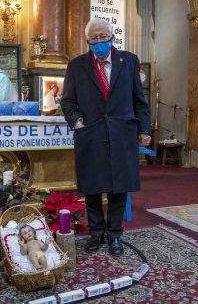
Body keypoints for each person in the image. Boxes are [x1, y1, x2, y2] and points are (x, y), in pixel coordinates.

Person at [60, 18, 151, 256]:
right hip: (90, 133)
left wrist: (144, 130)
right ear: (88, 41)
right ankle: (96, 233)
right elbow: (68, 101)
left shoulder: (129, 61)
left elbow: (139, 100)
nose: (99, 42)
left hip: (122, 134)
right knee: (92, 186)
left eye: (103, 37)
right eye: (94, 39)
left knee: (118, 188)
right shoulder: (77, 66)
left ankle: (114, 236)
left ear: (112, 37)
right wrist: (77, 122)